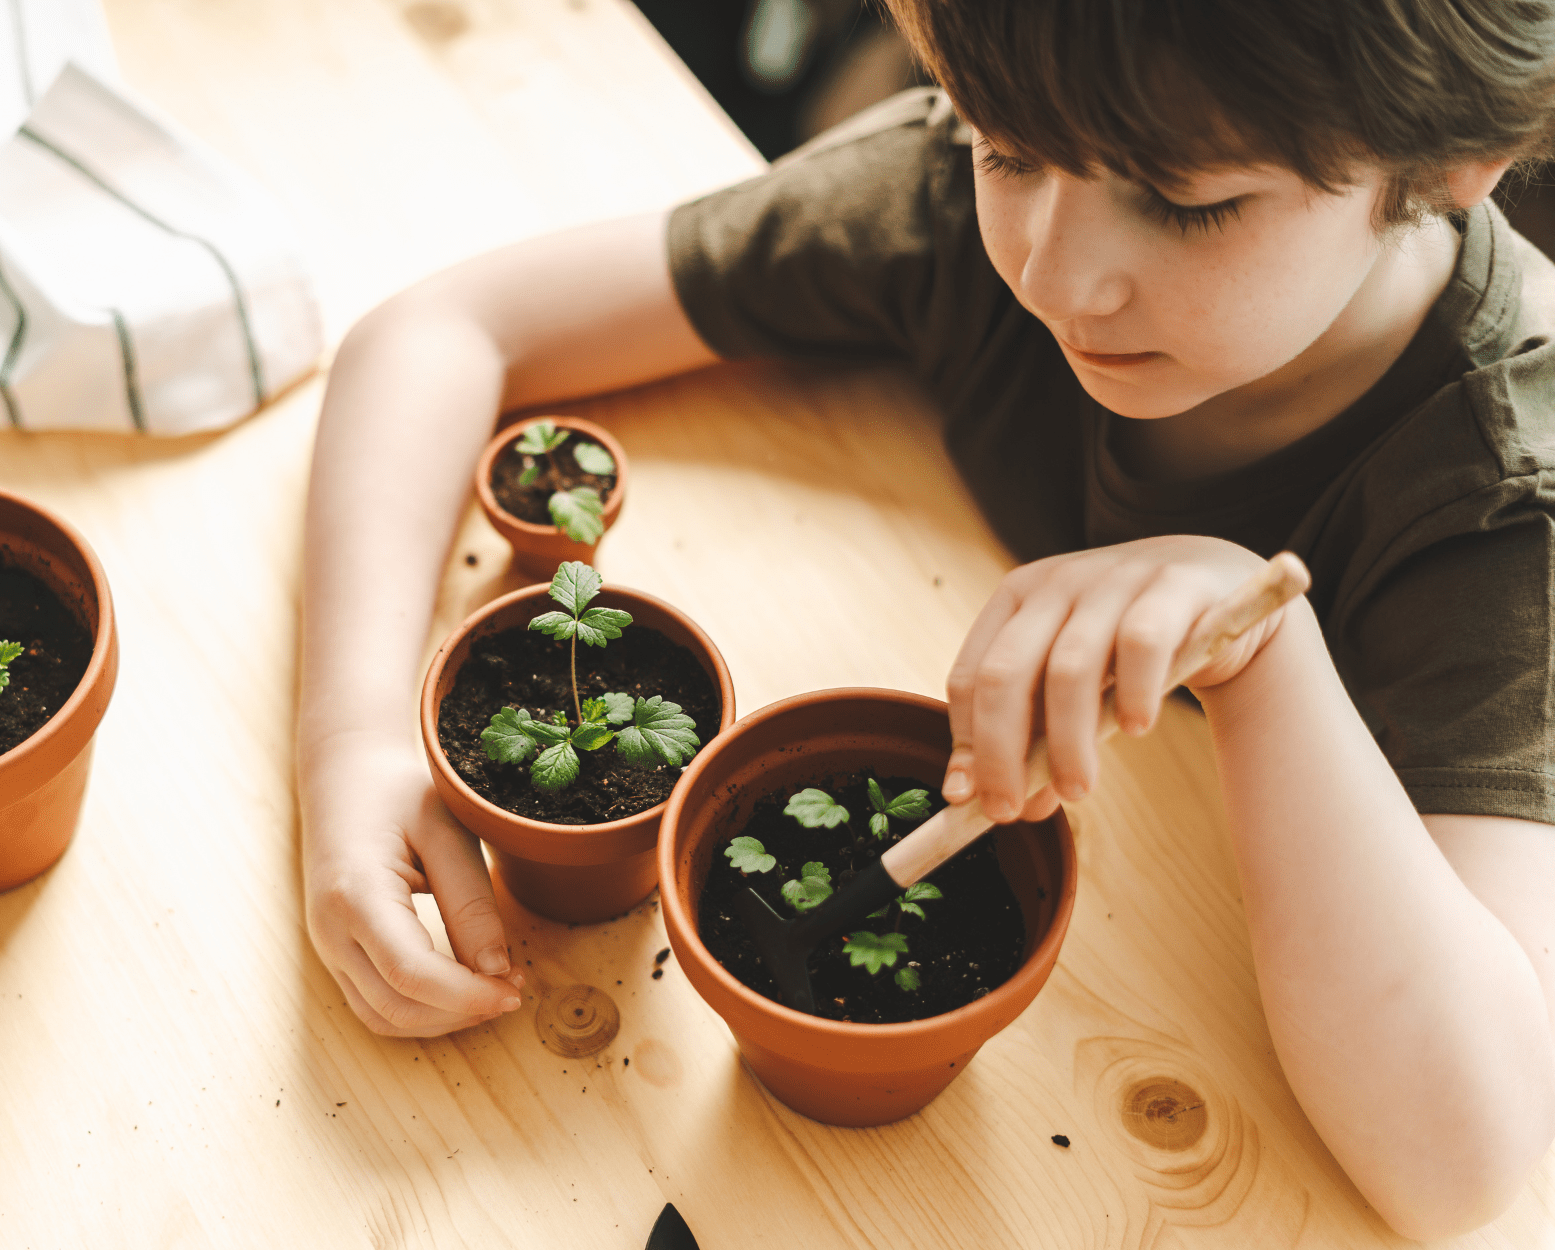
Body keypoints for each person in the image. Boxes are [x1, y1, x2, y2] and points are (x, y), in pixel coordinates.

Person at [296, 0, 1555, 1235]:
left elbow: (1453, 1163)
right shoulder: (962, 192)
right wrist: (351, 739)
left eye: (1183, 201)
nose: (1055, 277)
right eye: (1004, 149)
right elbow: (441, 331)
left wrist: (1262, 645)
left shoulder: (1500, 491)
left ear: (1449, 158)